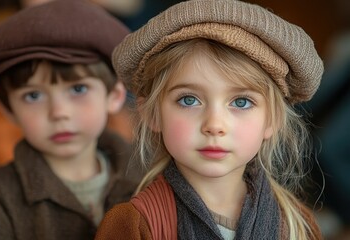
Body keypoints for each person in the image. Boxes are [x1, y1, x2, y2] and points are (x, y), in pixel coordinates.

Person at [95, 0, 324, 239]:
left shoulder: (298, 225)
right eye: (189, 100)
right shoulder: (132, 225)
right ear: (152, 113)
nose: (214, 125)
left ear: (273, 120)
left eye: (241, 102)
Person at [0, 0, 141, 239]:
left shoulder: (149, 179)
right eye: (33, 95)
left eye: (78, 89)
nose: (58, 112)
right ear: (8, 109)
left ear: (114, 96)